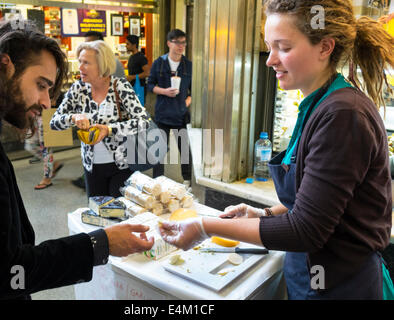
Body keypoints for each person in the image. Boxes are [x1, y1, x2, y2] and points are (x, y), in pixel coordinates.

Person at [159, 0, 394, 300]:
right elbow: (320, 197)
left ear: (325, 47)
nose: (270, 60)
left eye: (283, 47)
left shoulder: (343, 114)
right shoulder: (318, 102)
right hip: (311, 276)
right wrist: (264, 212)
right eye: (269, 47)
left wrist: (206, 227)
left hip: (341, 285)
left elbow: (307, 229)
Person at [0, 20, 154, 300]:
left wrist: (109, 129)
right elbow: (1, 275)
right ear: (5, 65)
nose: (45, 101)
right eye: (41, 85)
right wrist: (98, 244)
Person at [50, 40, 150, 198]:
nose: (80, 67)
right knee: (97, 214)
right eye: (80, 62)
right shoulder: (78, 89)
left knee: (119, 214)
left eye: (86, 63)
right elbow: (54, 123)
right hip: (91, 168)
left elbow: (143, 122)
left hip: (122, 165)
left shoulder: (120, 86)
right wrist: (73, 117)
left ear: (102, 65)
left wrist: (109, 130)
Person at [71, 31, 127, 191]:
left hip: (119, 155)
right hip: (93, 155)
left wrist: (109, 128)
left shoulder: (113, 66)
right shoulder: (82, 87)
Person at [147, 29, 193, 188]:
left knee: (185, 149)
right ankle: (157, 181)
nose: (181, 46)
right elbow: (150, 85)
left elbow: (194, 90)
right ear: (169, 43)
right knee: (159, 150)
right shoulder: (159, 63)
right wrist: (164, 91)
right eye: (177, 42)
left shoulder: (188, 65)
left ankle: (187, 180)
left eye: (183, 43)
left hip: (181, 115)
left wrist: (187, 101)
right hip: (162, 114)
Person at [24, 115, 64, 190]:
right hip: (34, 115)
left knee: (46, 146)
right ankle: (52, 165)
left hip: (44, 114)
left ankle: (47, 178)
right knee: (29, 145)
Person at [125, 34, 150, 105]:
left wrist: (132, 77)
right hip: (132, 87)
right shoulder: (132, 57)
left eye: (128, 44)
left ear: (134, 45)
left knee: (139, 108)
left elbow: (147, 73)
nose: (126, 46)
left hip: (139, 88)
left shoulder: (141, 57)